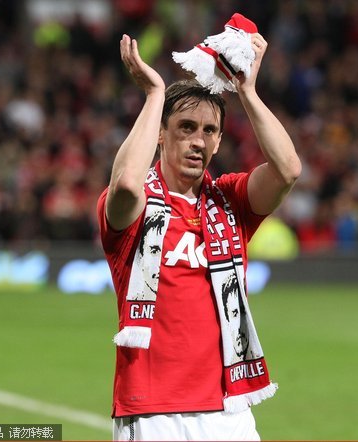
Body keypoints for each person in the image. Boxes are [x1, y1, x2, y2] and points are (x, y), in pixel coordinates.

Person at [97, 29, 300, 441]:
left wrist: (247, 91)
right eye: (186, 127)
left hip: (229, 408)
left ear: (220, 139)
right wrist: (155, 96)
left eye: (209, 131)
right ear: (161, 133)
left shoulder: (230, 202)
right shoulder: (135, 208)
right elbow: (125, 186)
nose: (197, 141)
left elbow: (287, 170)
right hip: (154, 412)